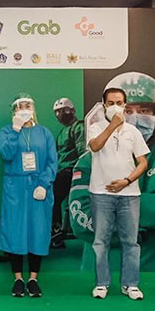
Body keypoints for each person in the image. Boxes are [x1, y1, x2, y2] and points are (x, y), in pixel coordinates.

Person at [67, 72, 155, 273]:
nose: (134, 118)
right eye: (126, 110)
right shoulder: (88, 162)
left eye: (144, 110)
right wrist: (154, 212)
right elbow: (82, 221)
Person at [87, 87, 149, 300]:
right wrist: (112, 125)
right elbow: (95, 147)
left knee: (131, 242)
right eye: (111, 103)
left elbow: (143, 162)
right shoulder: (94, 127)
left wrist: (127, 181)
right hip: (100, 193)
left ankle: (130, 284)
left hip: (129, 194)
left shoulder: (133, 132)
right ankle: (101, 284)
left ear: (125, 105)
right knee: (100, 241)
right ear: (104, 105)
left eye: (119, 103)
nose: (115, 106)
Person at [0, 94, 57, 297]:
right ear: (14, 110)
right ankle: (17, 279)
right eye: (19, 106)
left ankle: (33, 279)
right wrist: (16, 130)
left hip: (38, 187)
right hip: (15, 187)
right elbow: (6, 154)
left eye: (27, 105)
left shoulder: (44, 133)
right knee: (15, 230)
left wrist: (43, 184)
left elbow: (52, 161)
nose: (24, 109)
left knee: (37, 230)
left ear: (33, 108)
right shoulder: (6, 131)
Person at [51, 97, 85, 248]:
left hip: (72, 171)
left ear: (72, 110)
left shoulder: (78, 127)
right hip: (61, 171)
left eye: (63, 110)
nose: (60, 114)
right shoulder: (62, 132)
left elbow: (83, 153)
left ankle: (56, 231)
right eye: (57, 112)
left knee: (52, 195)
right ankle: (56, 229)